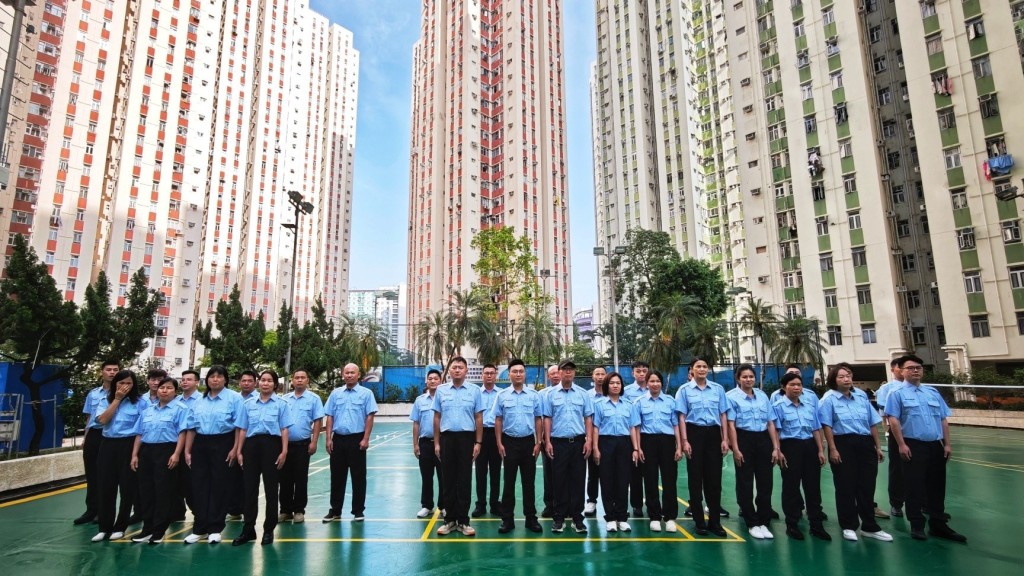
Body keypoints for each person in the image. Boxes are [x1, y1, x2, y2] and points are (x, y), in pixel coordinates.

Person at [885, 355, 966, 543]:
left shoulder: (932, 393)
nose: (915, 370)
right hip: (913, 444)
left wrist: (947, 444)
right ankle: (917, 524)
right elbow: (893, 420)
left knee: (937, 485)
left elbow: (943, 419)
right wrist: (901, 444)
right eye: (910, 368)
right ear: (902, 371)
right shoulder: (896, 394)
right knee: (914, 485)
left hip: (935, 445)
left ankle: (938, 524)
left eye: (918, 368)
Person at [818, 363, 892, 542]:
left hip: (865, 443)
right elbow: (827, 426)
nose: (846, 379)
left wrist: (877, 446)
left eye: (849, 375)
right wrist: (833, 449)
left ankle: (869, 526)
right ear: (834, 379)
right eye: (841, 376)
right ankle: (848, 525)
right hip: (843, 443)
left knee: (867, 486)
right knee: (845, 486)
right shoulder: (828, 399)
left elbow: (871, 423)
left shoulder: (860, 396)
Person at [183, 365, 246, 544]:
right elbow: (191, 427)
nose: (215, 379)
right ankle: (200, 528)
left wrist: (235, 448)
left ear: (225, 379)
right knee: (199, 486)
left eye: (219, 376)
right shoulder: (198, 401)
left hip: (224, 442)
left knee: (219, 485)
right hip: (201, 443)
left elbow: (239, 426)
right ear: (207, 380)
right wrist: (188, 450)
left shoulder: (234, 398)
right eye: (212, 376)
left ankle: (215, 527)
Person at [233, 370, 292, 546]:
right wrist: (239, 451)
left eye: (269, 381)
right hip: (251, 446)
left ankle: (268, 530)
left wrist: (284, 451)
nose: (265, 383)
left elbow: (284, 429)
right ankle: (248, 529)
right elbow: (243, 429)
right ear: (258, 383)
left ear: (275, 384)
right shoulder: (248, 404)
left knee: (271, 490)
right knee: (249, 489)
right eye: (263, 380)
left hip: (272, 446)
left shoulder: (281, 404)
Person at [675, 358, 730, 537]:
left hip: (714, 434)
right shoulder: (684, 390)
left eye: (705, 366)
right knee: (695, 478)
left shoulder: (718, 389)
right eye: (698, 366)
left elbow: (723, 415)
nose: (702, 369)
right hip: (694, 434)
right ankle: (699, 521)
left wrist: (725, 439)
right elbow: (682, 417)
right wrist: (685, 441)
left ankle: (715, 522)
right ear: (691, 370)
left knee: (714, 480)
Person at [130, 376, 188, 544]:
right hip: (147, 452)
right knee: (146, 491)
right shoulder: (148, 410)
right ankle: (147, 529)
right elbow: (139, 434)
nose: (164, 390)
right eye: (162, 387)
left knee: (163, 491)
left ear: (175, 391)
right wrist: (134, 455)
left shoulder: (180, 409)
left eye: (169, 388)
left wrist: (176, 454)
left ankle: (159, 530)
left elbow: (182, 433)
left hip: (167, 450)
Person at [773, 372, 830, 541]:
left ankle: (816, 525)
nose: (796, 388)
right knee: (791, 487)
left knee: (813, 487)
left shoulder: (809, 406)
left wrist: (820, 450)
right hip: (790, 447)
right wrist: (778, 450)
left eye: (799, 385)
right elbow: (776, 431)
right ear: (784, 387)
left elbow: (815, 429)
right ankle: (792, 524)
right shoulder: (778, 406)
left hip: (810, 446)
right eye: (792, 385)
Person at [726, 364, 781, 540]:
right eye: (744, 377)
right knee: (745, 482)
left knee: (765, 481)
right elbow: (731, 425)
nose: (748, 379)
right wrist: (736, 449)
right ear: (738, 379)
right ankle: (751, 522)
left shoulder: (762, 396)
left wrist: (775, 448)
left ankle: (764, 521)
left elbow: (770, 423)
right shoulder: (731, 397)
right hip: (743, 439)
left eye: (751, 376)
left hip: (763, 439)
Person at [433, 357, 484, 537]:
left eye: (460, 367)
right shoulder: (441, 390)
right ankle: (449, 520)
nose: (457, 370)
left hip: (466, 439)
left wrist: (478, 442)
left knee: (464, 479)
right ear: (450, 371)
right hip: (447, 439)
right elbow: (437, 417)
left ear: (466, 370)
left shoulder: (475, 391)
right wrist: (437, 443)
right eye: (454, 367)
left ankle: (463, 521)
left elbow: (478, 417)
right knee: (447, 480)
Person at [91, 369, 144, 542]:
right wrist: (117, 400)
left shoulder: (141, 402)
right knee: (105, 486)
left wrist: (136, 453)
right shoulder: (105, 400)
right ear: (115, 384)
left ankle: (120, 527)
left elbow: (142, 429)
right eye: (121, 383)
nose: (124, 386)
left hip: (129, 444)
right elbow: (102, 421)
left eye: (129, 383)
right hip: (108, 444)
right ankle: (104, 528)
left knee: (127, 487)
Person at [543, 359, 595, 534]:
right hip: (558, 443)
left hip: (578, 442)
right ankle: (558, 518)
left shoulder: (583, 394)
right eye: (564, 369)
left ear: (574, 373)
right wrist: (548, 441)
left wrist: (589, 440)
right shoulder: (550, 394)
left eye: (571, 369)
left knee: (578, 480)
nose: (568, 372)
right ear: (559, 372)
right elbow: (547, 418)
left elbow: (588, 418)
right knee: (558, 481)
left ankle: (577, 518)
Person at [493, 358, 544, 534]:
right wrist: (499, 442)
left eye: (521, 371)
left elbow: (538, 419)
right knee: (508, 483)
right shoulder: (502, 395)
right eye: (514, 371)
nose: (518, 374)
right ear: (509, 374)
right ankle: (507, 520)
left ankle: (531, 519)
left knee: (529, 483)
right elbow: (498, 419)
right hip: (509, 442)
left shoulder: (534, 395)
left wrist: (538, 442)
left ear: (525, 374)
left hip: (528, 442)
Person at [323, 363, 378, 523]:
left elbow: (370, 417)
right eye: (346, 373)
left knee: (358, 477)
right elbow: (330, 416)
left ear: (358, 375)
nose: (349, 375)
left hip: (357, 439)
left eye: (352, 372)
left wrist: (366, 438)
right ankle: (335, 510)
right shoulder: (335, 394)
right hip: (338, 439)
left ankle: (358, 510)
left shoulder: (366, 394)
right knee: (336, 477)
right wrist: (328, 438)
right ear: (343, 375)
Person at [592, 372, 639, 533]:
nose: (615, 385)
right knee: (607, 481)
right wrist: (596, 448)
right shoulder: (599, 404)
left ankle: (622, 518)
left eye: (618, 383)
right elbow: (596, 428)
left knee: (623, 481)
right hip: (605, 443)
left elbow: (632, 428)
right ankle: (610, 518)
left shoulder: (629, 405)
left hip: (624, 444)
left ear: (621, 386)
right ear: (607, 385)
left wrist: (635, 448)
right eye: (612, 383)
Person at [74, 360, 120, 525]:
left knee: (107, 476)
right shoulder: (93, 394)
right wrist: (86, 438)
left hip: (110, 435)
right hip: (94, 435)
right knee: (91, 474)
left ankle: (104, 512)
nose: (112, 372)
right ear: (102, 372)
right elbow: (89, 418)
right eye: (109, 369)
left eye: (115, 369)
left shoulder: (121, 394)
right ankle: (91, 510)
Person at [637, 370, 683, 533]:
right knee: (650, 480)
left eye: (657, 381)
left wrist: (679, 446)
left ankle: (670, 517)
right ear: (647, 383)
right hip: (647, 441)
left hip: (667, 442)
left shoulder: (670, 401)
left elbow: (675, 425)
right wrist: (638, 447)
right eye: (652, 381)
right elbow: (637, 427)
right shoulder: (639, 402)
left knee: (670, 480)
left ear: (661, 383)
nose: (655, 384)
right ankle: (654, 516)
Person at [279, 368, 324, 524]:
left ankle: (299, 510)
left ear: (307, 380)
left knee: (300, 479)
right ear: (292, 380)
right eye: (296, 377)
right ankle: (285, 510)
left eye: (302, 377)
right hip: (285, 446)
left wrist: (314, 441)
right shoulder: (284, 399)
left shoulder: (314, 399)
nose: (299, 380)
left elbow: (318, 421)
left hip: (302, 445)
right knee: (284, 479)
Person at [411, 369, 443, 519]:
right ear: (426, 381)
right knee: (426, 476)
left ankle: (444, 506)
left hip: (442, 443)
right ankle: (427, 506)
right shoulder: (420, 400)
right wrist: (415, 444)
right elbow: (416, 423)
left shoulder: (445, 399)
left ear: (441, 381)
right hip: (425, 443)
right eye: (430, 378)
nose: (432, 381)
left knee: (444, 477)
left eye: (436, 378)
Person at [227, 370, 259, 520]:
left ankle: (248, 510)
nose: (246, 383)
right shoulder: (233, 398)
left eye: (250, 381)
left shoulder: (259, 399)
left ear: (255, 383)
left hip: (252, 442)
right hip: (234, 440)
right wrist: (235, 447)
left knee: (250, 478)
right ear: (239, 382)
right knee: (233, 477)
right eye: (243, 381)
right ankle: (234, 509)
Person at [876, 356, 905, 518]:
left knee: (922, 469)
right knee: (897, 469)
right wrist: (888, 431)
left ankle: (924, 502)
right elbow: (884, 414)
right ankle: (896, 503)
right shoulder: (887, 389)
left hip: (917, 434)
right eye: (901, 367)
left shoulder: (922, 389)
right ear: (893, 369)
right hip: (897, 432)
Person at [172, 369, 201, 521]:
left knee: (192, 481)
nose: (184, 382)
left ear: (197, 382)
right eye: (183, 379)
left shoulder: (202, 400)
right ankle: (177, 512)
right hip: (175, 444)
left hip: (195, 445)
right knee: (175, 480)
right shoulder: (175, 401)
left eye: (189, 379)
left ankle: (198, 512)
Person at [473, 363, 501, 518]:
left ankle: (495, 504)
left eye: (492, 373)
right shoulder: (475, 394)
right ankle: (481, 505)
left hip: (497, 435)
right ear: (482, 375)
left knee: (496, 472)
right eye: (486, 373)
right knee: (480, 472)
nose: (489, 375)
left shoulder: (502, 393)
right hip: (480, 435)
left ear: (495, 375)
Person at [623, 361, 649, 518]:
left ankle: (652, 504)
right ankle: (637, 504)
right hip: (632, 436)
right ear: (633, 373)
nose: (641, 373)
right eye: (638, 371)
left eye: (644, 371)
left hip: (649, 436)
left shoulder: (654, 388)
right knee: (635, 472)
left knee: (650, 472)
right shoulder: (626, 392)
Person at [584, 366, 606, 517]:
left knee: (611, 473)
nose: (600, 377)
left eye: (602, 374)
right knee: (593, 472)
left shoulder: (612, 394)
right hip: (592, 438)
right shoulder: (586, 396)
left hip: (609, 438)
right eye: (597, 374)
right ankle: (591, 501)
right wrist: (588, 438)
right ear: (592, 377)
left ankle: (613, 502)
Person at [539, 364, 560, 517]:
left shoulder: (573, 392)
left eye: (557, 372)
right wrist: (542, 438)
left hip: (563, 438)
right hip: (547, 438)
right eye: (552, 373)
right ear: (548, 376)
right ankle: (550, 505)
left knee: (565, 473)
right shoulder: (542, 394)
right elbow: (539, 416)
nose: (555, 375)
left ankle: (565, 505)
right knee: (549, 473)